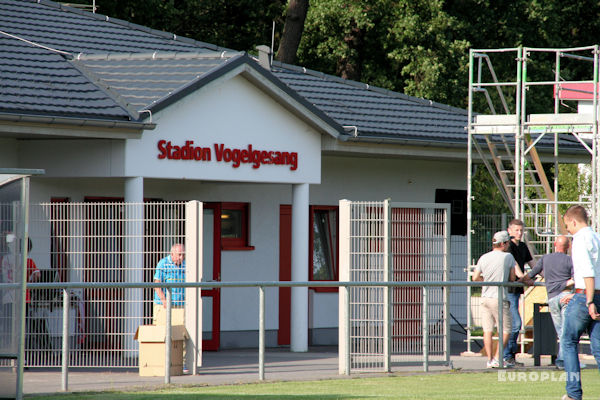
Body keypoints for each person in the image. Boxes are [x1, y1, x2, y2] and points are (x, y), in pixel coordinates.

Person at [560, 205, 600, 400]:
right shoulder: (597, 237)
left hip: (586, 295)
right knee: (599, 348)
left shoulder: (579, 239)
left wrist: (588, 299)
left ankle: (573, 393)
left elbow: (588, 272)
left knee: (568, 342)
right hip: (598, 295)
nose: (568, 229)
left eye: (568, 225)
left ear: (574, 221)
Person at [520, 235, 574, 369]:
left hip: (552, 298)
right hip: (566, 296)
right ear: (568, 247)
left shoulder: (545, 258)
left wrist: (526, 281)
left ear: (555, 244)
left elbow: (530, 275)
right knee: (566, 331)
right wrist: (564, 284)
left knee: (560, 330)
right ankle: (563, 361)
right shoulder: (570, 260)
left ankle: (562, 361)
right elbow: (576, 279)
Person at [472, 230, 517, 368]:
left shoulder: (484, 257)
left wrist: (486, 280)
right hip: (499, 298)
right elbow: (512, 278)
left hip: (485, 297)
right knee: (507, 329)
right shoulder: (508, 257)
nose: (509, 244)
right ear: (503, 243)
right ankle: (498, 358)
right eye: (508, 242)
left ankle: (490, 359)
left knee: (487, 330)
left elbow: (475, 278)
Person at [505, 219, 535, 366]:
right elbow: (515, 266)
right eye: (516, 230)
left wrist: (544, 275)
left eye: (521, 230)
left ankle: (509, 356)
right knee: (515, 323)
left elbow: (533, 264)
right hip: (508, 290)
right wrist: (525, 278)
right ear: (509, 231)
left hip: (517, 290)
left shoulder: (522, 246)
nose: (519, 233)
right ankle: (507, 356)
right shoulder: (508, 246)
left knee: (514, 324)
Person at [153, 243, 185, 325]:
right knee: (162, 331)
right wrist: (164, 300)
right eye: (179, 255)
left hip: (180, 305)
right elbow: (157, 284)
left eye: (183, 255)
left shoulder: (186, 265)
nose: (182, 257)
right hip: (163, 305)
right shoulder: (163, 263)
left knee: (179, 333)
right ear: (172, 254)